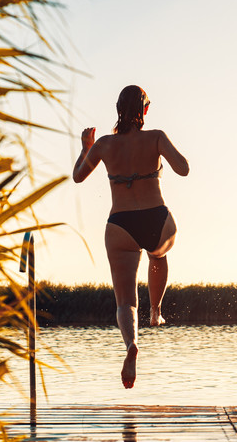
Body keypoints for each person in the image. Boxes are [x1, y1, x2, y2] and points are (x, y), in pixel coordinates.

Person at [73, 85, 189, 389]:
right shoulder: (156, 137)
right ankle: (157, 312)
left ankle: (130, 345)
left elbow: (78, 176)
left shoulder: (103, 145)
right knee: (158, 255)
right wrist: (161, 155)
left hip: (120, 223)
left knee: (124, 300)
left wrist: (86, 147)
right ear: (145, 111)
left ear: (117, 109)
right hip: (157, 219)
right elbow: (184, 169)